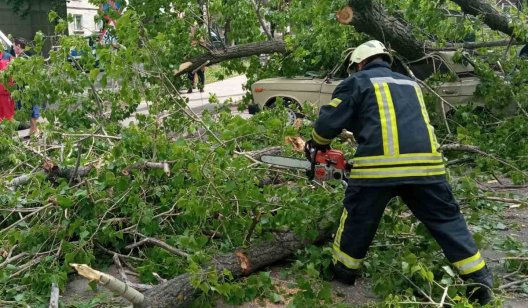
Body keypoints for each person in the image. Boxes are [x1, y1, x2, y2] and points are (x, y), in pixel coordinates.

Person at [304, 40, 493, 305]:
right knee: (447, 221)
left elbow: (326, 123)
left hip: (378, 169)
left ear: (359, 63)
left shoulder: (357, 82)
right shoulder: (410, 84)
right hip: (428, 166)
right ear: (386, 60)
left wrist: (317, 144)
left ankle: (344, 270)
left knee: (359, 217)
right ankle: (479, 280)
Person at [11, 37, 40, 136]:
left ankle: (35, 131)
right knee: (29, 109)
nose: (13, 48)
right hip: (27, 88)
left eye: (14, 46)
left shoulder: (24, 58)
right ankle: (33, 130)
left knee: (31, 109)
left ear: (18, 46)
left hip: (28, 88)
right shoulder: (30, 56)